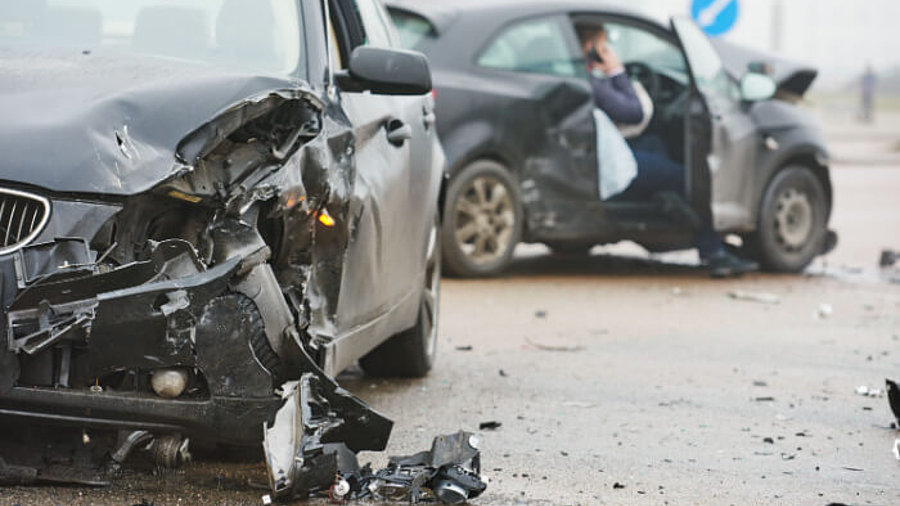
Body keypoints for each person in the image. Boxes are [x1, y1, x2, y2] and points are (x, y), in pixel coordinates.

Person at [575, 22, 758, 278]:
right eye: (604, 47)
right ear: (591, 48)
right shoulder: (589, 81)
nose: (607, 51)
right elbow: (633, 112)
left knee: (655, 145)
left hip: (601, 151)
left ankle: (662, 201)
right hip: (605, 162)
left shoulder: (578, 76)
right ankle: (712, 250)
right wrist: (617, 71)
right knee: (687, 178)